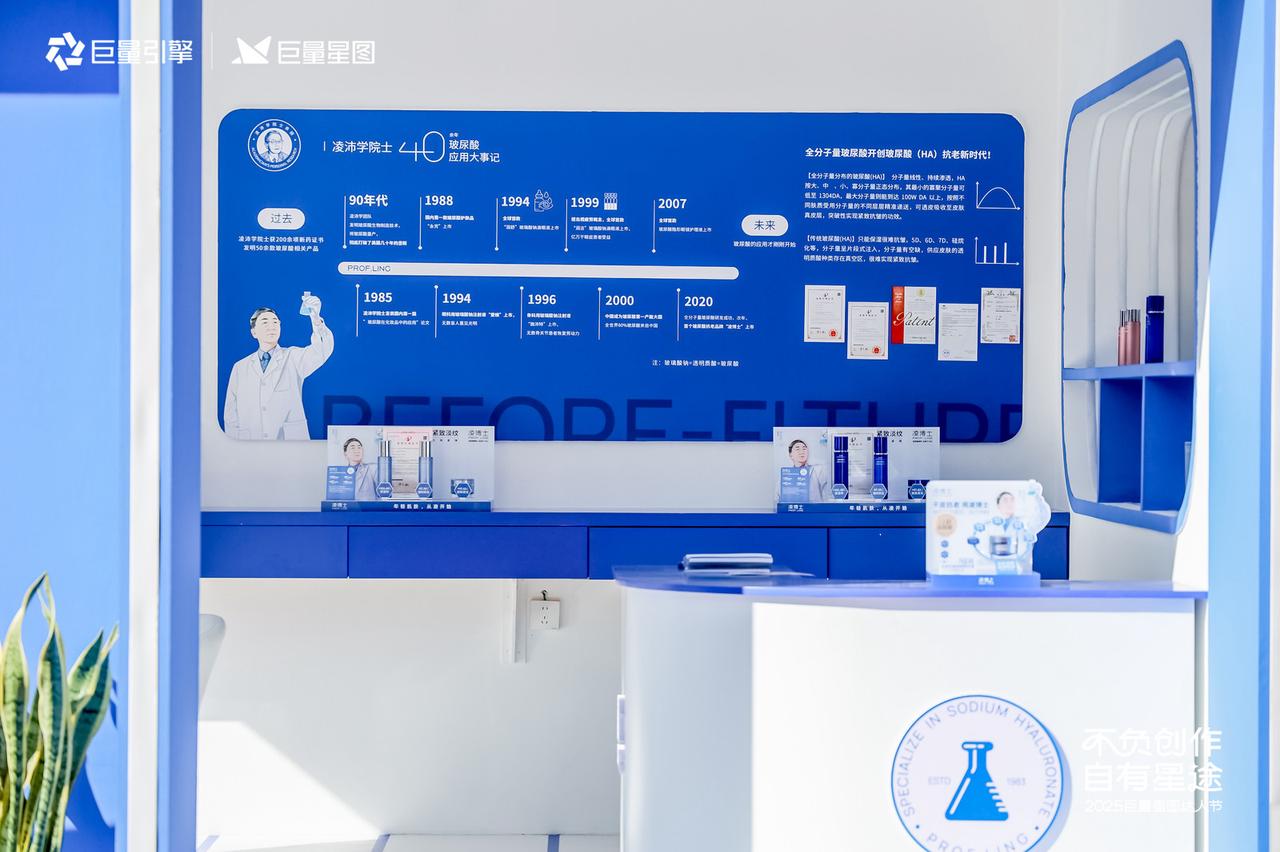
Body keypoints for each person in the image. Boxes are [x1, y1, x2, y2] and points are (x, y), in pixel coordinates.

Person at [223, 294, 334, 440]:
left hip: (289, 442)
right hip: (251, 443)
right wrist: (236, 443)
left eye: (275, 322)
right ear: (254, 332)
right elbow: (230, 412)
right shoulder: (240, 367)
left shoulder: (293, 357)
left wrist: (316, 319)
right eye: (265, 322)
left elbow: (322, 350)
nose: (272, 326)